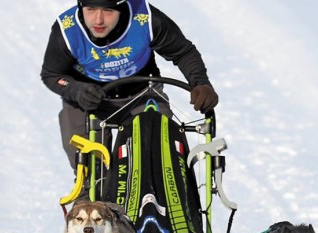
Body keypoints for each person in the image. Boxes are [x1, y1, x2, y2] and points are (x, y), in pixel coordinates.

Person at [41, 0, 219, 170]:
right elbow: (52, 75)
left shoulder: (146, 19)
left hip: (141, 95)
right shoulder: (67, 31)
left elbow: (183, 52)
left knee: (159, 145)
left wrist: (201, 83)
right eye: (90, 9)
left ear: (122, 7)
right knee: (85, 152)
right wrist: (76, 90)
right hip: (89, 99)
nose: (98, 20)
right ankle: (87, 193)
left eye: (108, 10)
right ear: (80, 6)